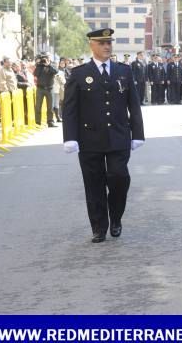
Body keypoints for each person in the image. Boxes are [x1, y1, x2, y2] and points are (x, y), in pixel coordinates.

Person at [62, 28, 145, 243]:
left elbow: (134, 105)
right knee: (94, 183)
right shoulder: (79, 74)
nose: (107, 46)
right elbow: (70, 109)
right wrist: (70, 137)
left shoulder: (123, 71)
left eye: (109, 42)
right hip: (89, 138)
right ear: (91, 45)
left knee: (119, 178)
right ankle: (99, 226)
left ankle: (115, 217)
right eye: (102, 43)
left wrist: (138, 133)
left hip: (118, 135)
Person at [34, 53, 58, 127]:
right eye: (44, 59)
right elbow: (35, 74)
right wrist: (39, 65)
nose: (44, 60)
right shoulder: (39, 66)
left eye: (46, 58)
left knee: (50, 107)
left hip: (49, 88)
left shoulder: (52, 65)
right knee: (38, 106)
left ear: (49, 59)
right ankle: (37, 122)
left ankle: (50, 122)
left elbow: (55, 71)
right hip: (40, 88)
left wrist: (49, 64)